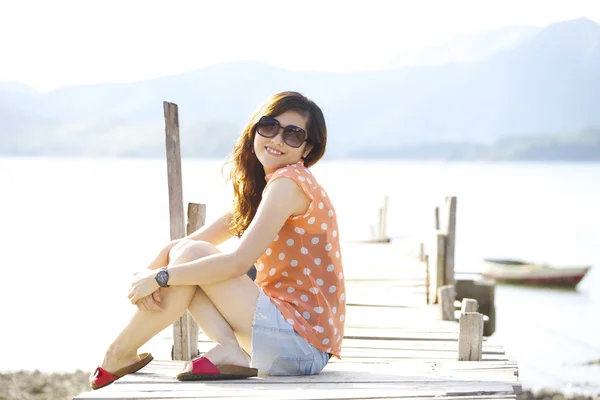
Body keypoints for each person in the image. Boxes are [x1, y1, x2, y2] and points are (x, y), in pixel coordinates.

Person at [89, 91, 346, 389]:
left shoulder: (289, 184)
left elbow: (238, 263)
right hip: (289, 340)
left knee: (192, 260)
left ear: (306, 149)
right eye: (269, 127)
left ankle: (117, 354)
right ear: (255, 129)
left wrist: (160, 278)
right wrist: (148, 274)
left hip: (301, 346)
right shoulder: (268, 187)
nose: (276, 139)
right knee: (190, 256)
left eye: (292, 135)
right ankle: (227, 349)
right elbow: (184, 247)